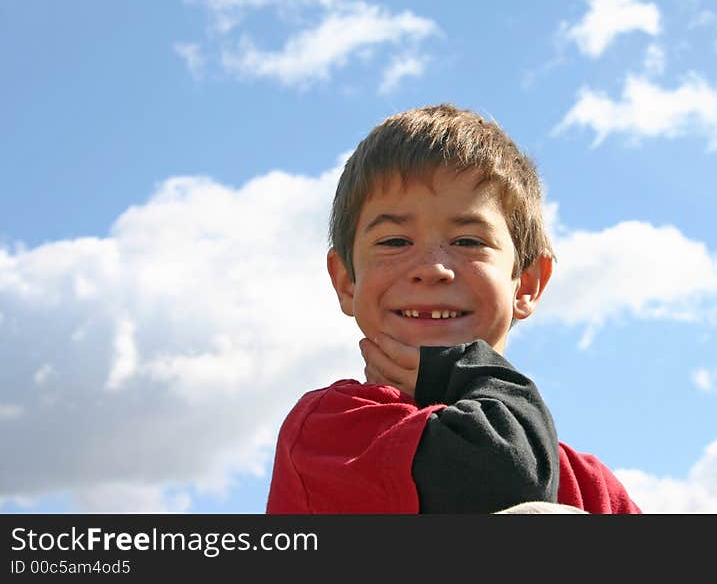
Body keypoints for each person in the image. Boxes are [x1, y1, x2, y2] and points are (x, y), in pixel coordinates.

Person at [266, 103, 641, 514]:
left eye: (468, 241)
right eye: (394, 241)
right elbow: (504, 479)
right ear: (346, 281)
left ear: (528, 283)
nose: (431, 269)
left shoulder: (593, 487)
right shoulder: (331, 429)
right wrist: (466, 369)